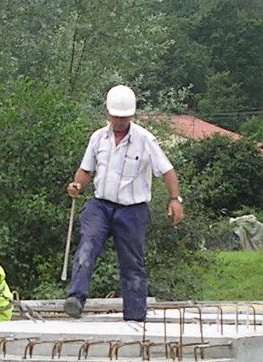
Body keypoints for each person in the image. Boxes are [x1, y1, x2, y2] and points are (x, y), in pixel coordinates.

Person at [63, 84, 183, 325]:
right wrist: (76, 185)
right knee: (87, 244)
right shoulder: (98, 137)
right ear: (108, 114)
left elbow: (167, 170)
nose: (120, 121)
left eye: (124, 117)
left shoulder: (144, 139)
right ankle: (75, 298)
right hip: (100, 205)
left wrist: (174, 199)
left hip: (132, 210)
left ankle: (135, 316)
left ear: (132, 115)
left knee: (131, 262)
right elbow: (86, 169)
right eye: (116, 117)